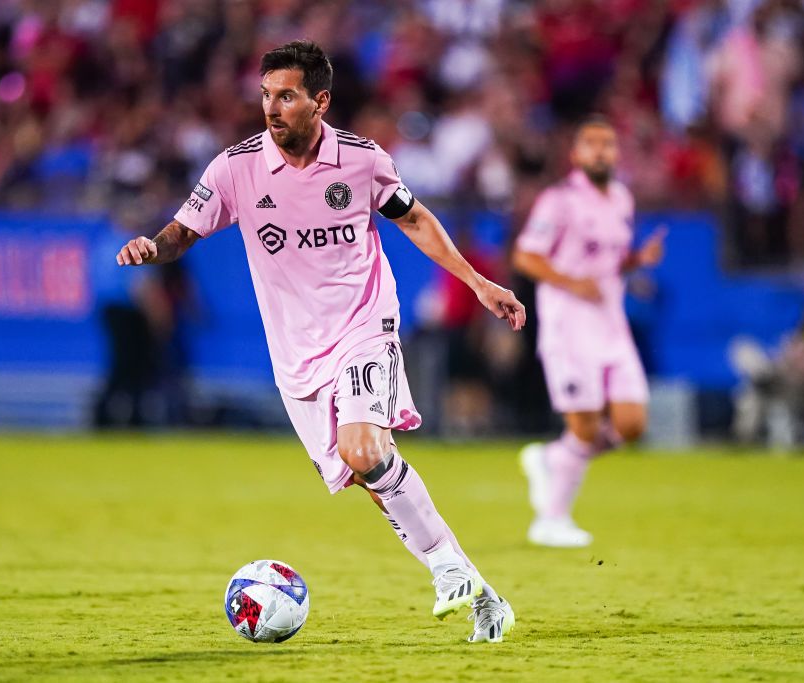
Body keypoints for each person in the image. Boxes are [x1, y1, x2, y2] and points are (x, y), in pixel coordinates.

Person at [116, 40, 524, 643]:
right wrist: (155, 246)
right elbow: (184, 229)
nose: (272, 109)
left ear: (320, 100)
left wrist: (478, 281)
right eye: (265, 96)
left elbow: (413, 219)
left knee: (363, 450)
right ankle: (478, 590)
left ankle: (445, 570)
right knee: (370, 476)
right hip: (296, 353)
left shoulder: (362, 161)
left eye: (286, 96)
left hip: (364, 323)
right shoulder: (235, 167)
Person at [512, 117, 666, 548]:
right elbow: (526, 256)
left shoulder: (621, 198)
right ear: (576, 154)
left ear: (617, 153)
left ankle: (551, 458)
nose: (601, 152)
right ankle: (550, 519)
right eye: (591, 144)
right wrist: (571, 282)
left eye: (608, 144)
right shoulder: (558, 200)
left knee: (631, 425)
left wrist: (637, 261)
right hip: (569, 326)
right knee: (584, 427)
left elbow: (606, 262)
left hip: (611, 325)